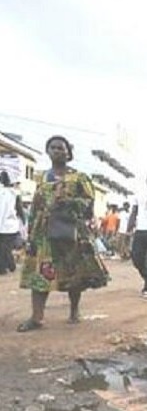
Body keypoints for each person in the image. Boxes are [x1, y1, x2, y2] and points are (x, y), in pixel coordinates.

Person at [18, 136, 109, 331]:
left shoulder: (79, 178)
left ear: (69, 153)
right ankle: (36, 317)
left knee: (73, 273)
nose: (58, 150)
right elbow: (35, 206)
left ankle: (74, 311)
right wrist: (30, 234)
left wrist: (68, 202)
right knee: (39, 274)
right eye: (53, 147)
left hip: (71, 231)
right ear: (48, 151)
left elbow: (88, 205)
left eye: (62, 148)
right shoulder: (41, 177)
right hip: (43, 234)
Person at [0, 171, 24, 275]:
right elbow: (20, 210)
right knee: (5, 248)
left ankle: (7, 266)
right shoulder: (15, 194)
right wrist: (23, 222)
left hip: (5, 225)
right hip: (10, 226)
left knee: (3, 248)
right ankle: (8, 265)